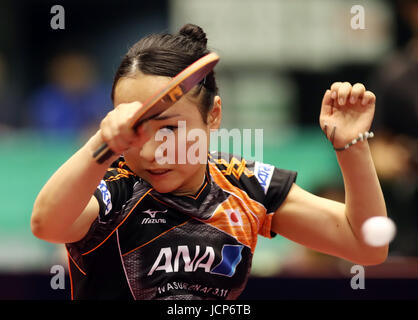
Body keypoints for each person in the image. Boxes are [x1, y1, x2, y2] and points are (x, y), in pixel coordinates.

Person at [31, 24, 388, 300]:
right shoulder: (112, 188)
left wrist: (351, 147)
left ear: (213, 115)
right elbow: (47, 224)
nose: (153, 151)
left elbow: (366, 244)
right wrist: (102, 146)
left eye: (169, 127)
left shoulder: (244, 184)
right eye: (135, 129)